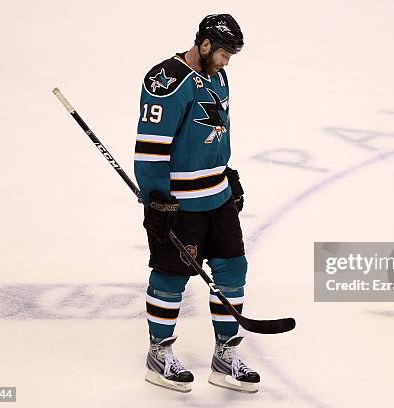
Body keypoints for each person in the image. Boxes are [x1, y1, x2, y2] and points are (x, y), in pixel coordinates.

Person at [134, 14, 260, 394]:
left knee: (233, 269)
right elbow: (151, 150)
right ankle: (159, 353)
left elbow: (214, 131)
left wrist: (227, 171)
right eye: (222, 53)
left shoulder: (219, 76)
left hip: (217, 197)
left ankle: (225, 355)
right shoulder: (166, 82)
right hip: (180, 204)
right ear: (204, 44)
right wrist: (157, 201)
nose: (226, 62)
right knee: (171, 276)